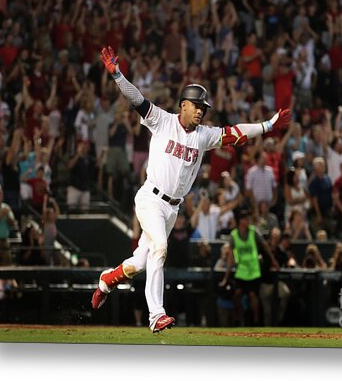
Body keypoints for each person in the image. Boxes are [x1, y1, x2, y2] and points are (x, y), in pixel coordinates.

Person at [91, 46, 291, 333]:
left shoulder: (204, 135)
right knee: (160, 248)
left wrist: (267, 124)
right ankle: (156, 315)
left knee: (140, 262)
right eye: (196, 105)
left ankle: (108, 279)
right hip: (151, 199)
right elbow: (138, 100)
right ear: (183, 104)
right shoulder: (163, 120)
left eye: (203, 107)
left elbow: (234, 133)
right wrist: (118, 75)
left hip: (172, 208)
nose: (200, 110)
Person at [221, 209, 279, 326]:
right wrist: (226, 277)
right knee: (237, 294)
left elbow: (265, 246)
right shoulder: (234, 235)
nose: (247, 222)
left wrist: (273, 260)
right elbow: (231, 258)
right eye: (245, 219)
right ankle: (237, 317)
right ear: (240, 221)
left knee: (253, 296)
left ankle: (256, 321)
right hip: (241, 270)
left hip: (253, 270)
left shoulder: (253, 232)